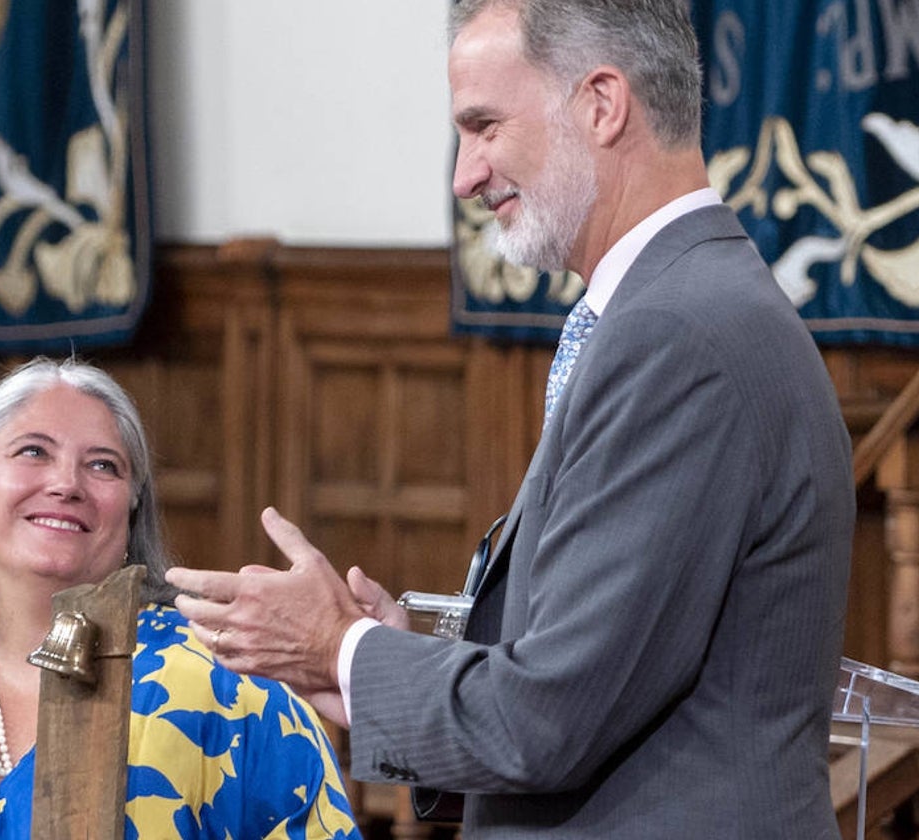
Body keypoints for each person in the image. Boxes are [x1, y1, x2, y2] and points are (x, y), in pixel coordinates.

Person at [165, 1, 856, 838]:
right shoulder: (674, 309)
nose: (464, 176)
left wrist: (340, 649)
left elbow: (548, 720)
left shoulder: (677, 334)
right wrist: (389, 663)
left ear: (602, 104)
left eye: (484, 126)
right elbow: (604, 685)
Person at [0, 357, 362, 839]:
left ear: (131, 511)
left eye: (102, 465)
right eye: (33, 451)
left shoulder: (233, 690)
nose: (65, 484)